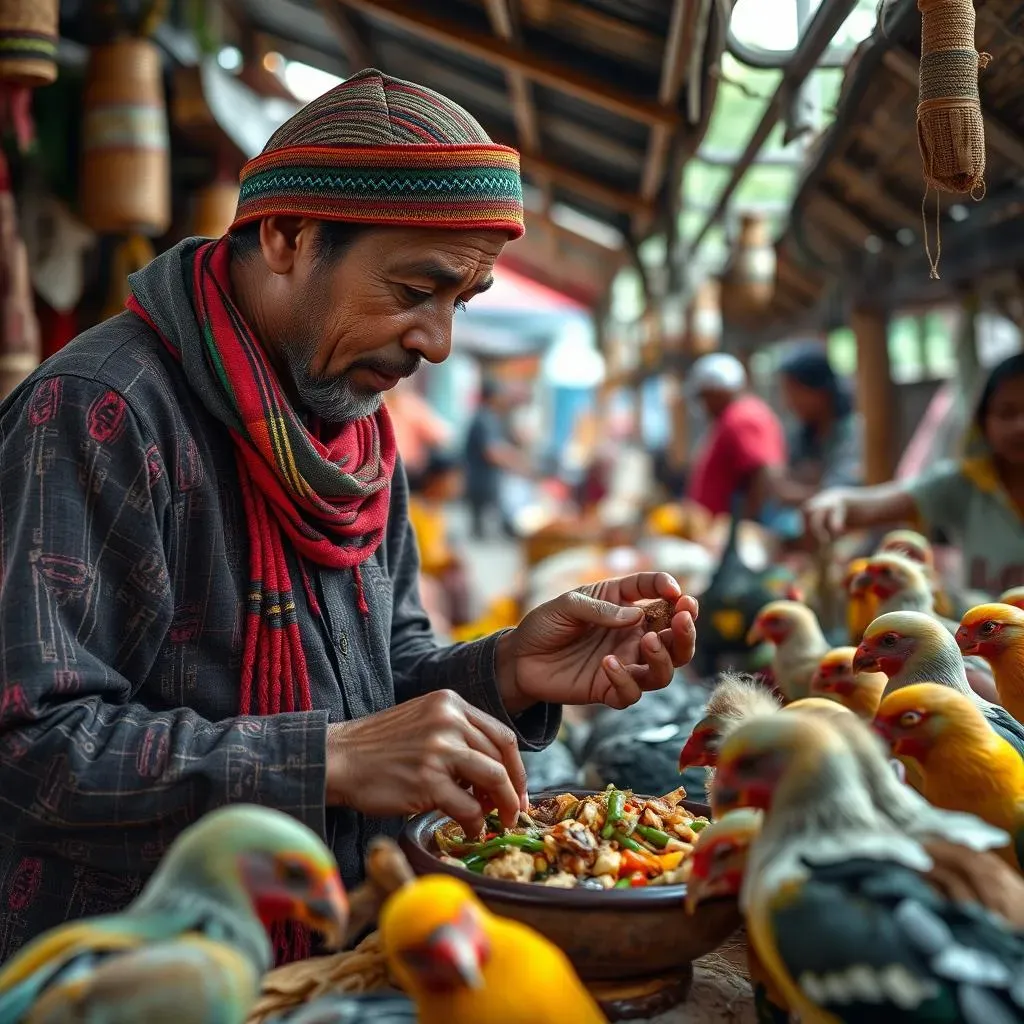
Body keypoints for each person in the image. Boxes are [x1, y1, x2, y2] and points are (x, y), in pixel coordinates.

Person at [0, 69, 698, 959]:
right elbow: (31, 747)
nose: (437, 343)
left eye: (462, 304)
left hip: (330, 952)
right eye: (415, 291)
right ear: (290, 235)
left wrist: (511, 670)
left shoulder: (353, 434)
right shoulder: (99, 414)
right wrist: (325, 758)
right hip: (133, 977)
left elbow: (381, 687)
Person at [805, 351, 1024, 593]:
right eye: (1006, 413)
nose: (1020, 426)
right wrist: (836, 502)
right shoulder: (966, 483)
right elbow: (879, 503)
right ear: (983, 422)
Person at [685, 352, 787, 518]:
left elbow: (764, 475)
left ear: (718, 391)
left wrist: (741, 527)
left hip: (732, 530)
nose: (704, 405)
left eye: (706, 396)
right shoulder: (731, 416)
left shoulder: (743, 416)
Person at [772, 344, 862, 504]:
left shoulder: (854, 433)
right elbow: (784, 480)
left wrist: (795, 491)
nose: (789, 403)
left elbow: (844, 492)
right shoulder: (803, 436)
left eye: (795, 392)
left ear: (820, 391)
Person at [408, 448, 472, 626]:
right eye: (454, 478)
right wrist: (449, 559)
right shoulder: (413, 510)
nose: (458, 485)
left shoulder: (437, 511)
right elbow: (420, 558)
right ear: (435, 479)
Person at [464, 377, 532, 539]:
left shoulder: (491, 417)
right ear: (493, 396)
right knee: (486, 532)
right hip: (482, 481)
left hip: (484, 481)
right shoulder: (485, 418)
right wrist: (517, 464)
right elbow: (492, 451)